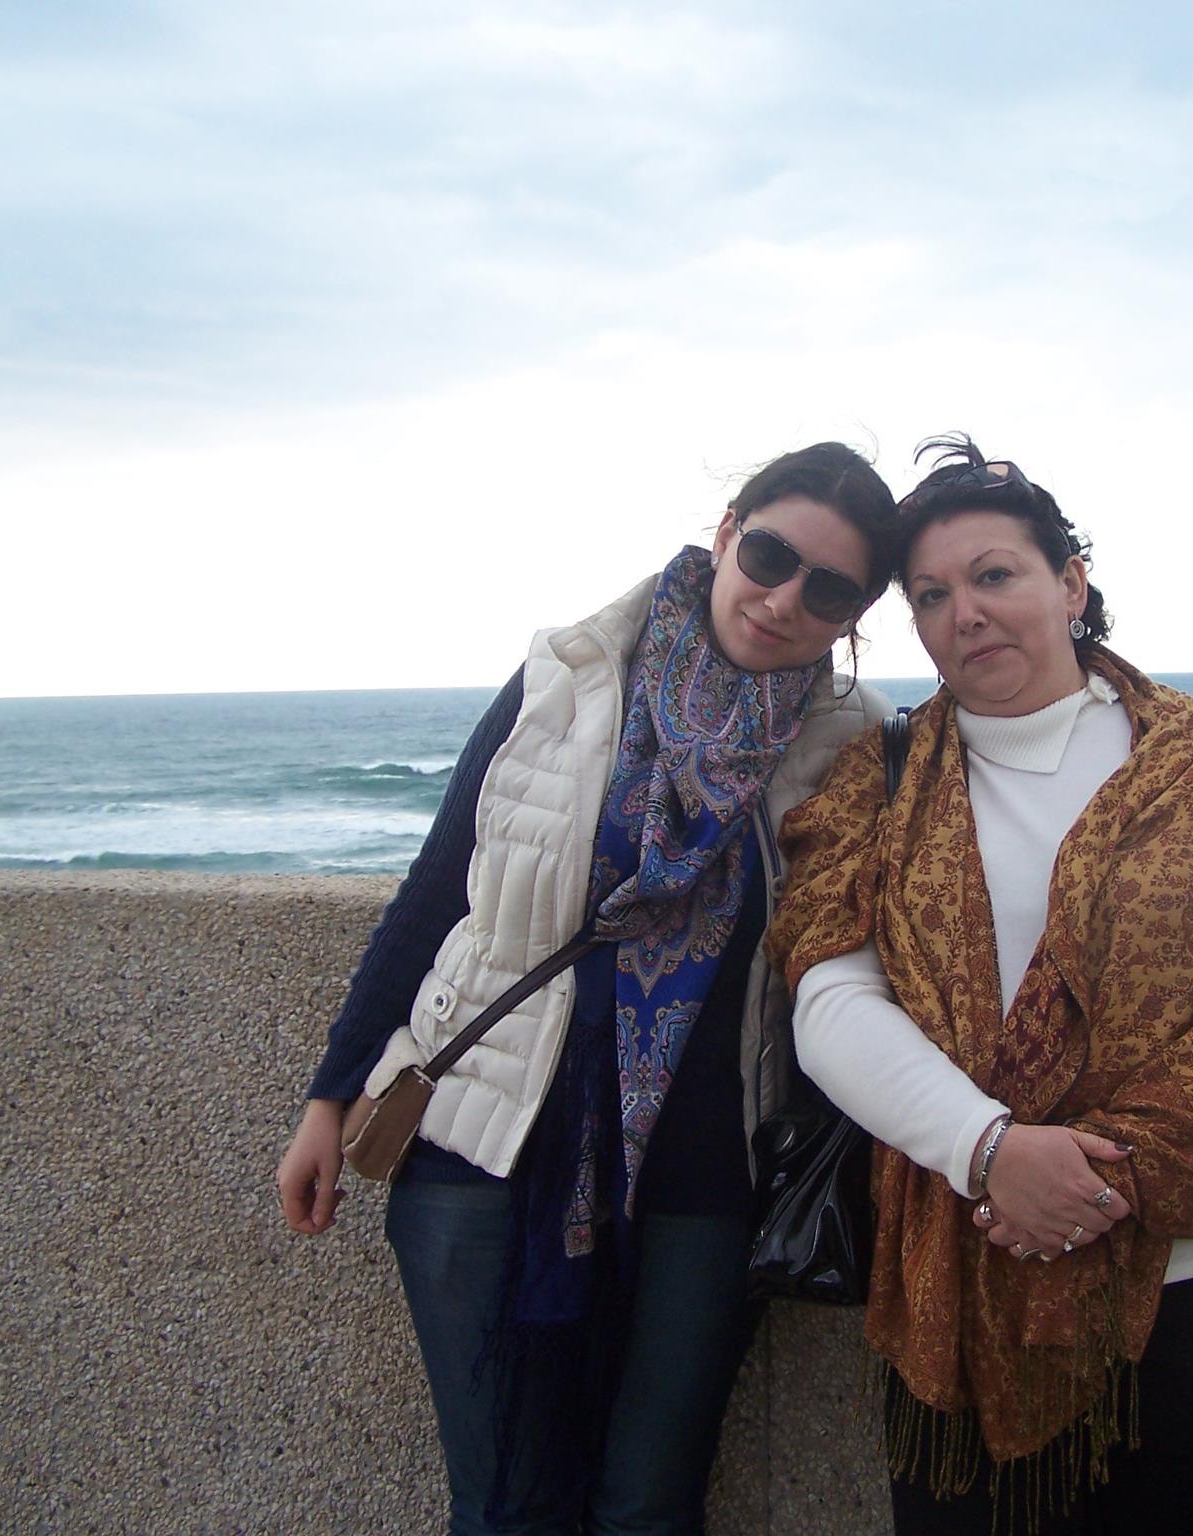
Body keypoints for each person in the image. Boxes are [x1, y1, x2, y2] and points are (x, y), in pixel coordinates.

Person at [275, 442, 899, 1536]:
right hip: (489, 1137)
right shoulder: (568, 677)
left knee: (646, 1507)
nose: (782, 599)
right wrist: (331, 1098)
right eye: (769, 556)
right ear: (726, 532)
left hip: (707, 1176)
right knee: (505, 1505)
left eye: (829, 590)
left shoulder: (851, 742)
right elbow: (438, 892)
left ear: (854, 616)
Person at [767, 437, 1193, 1535]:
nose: (965, 613)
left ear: (1069, 584)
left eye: (994, 575)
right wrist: (990, 1150)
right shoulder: (878, 783)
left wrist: (1089, 1184)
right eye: (931, 595)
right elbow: (829, 1001)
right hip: (970, 1253)